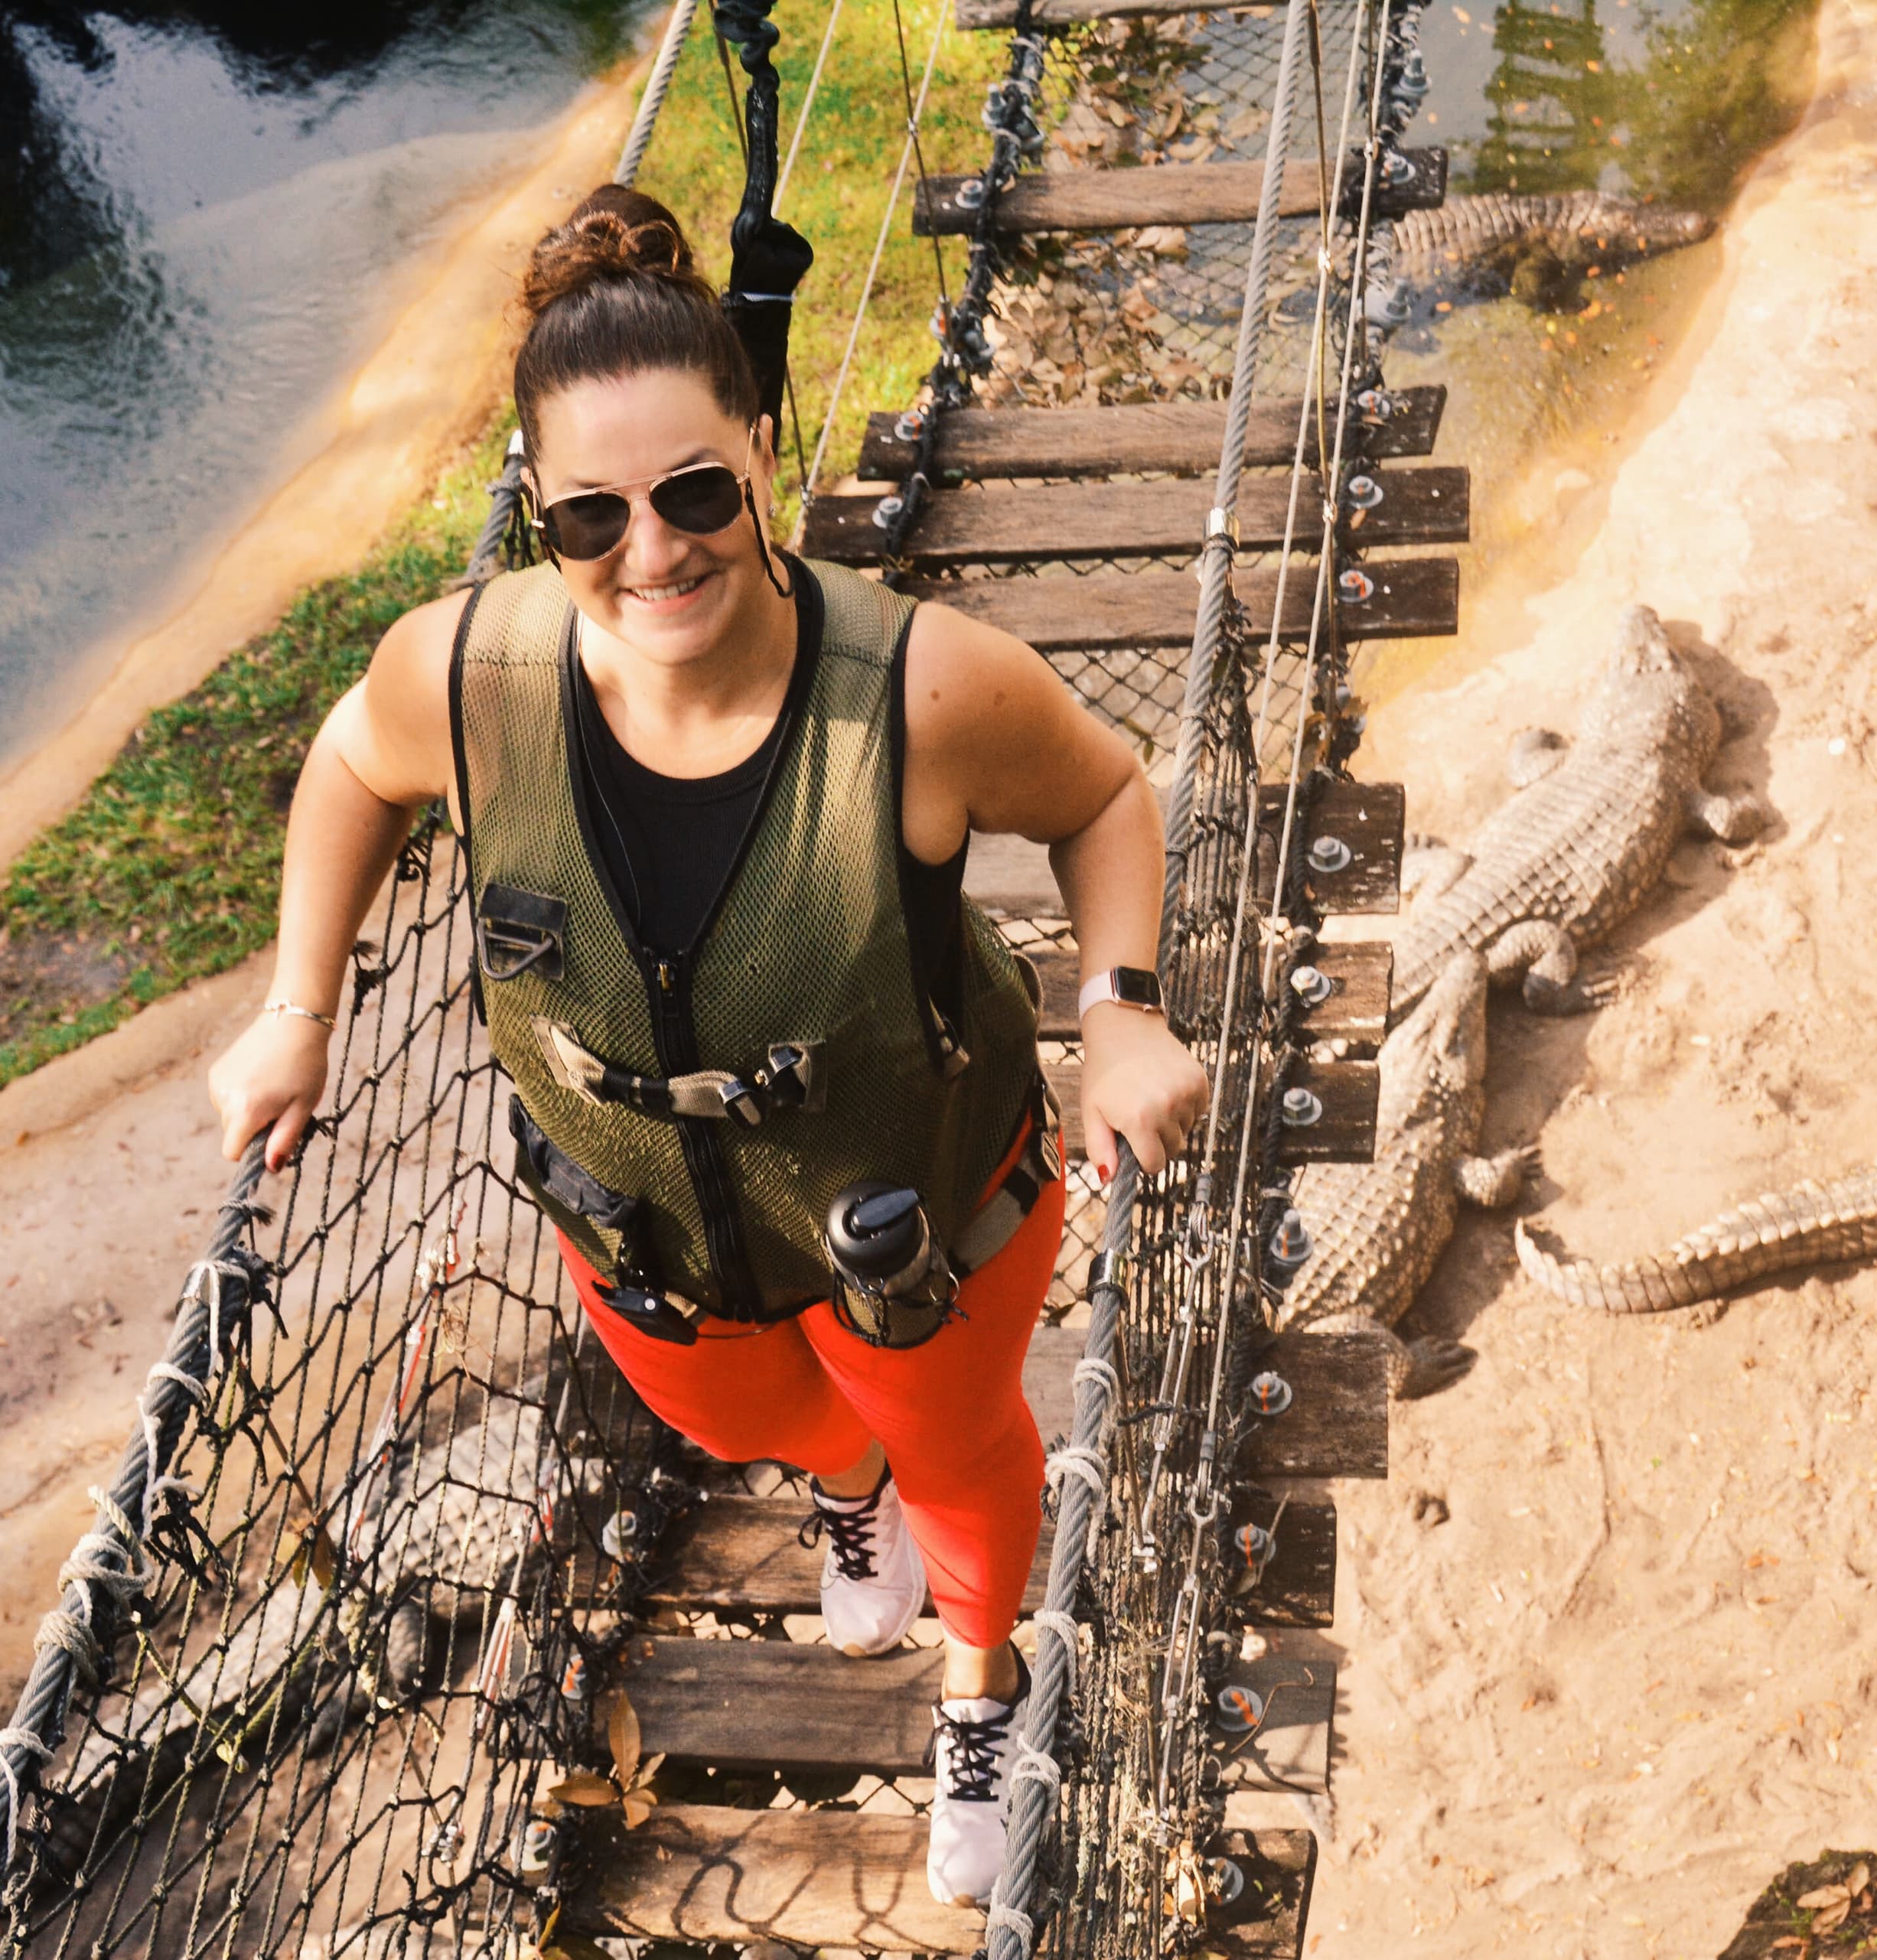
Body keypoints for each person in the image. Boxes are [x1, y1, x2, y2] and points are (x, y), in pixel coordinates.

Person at [208, 185, 1208, 1906]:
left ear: (759, 446)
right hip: (651, 1253)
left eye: (690, 493)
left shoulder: (922, 692)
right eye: (589, 515)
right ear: (535, 509)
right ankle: (843, 1488)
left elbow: (1111, 795)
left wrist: (1120, 1020)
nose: (649, 551)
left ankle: (982, 1686)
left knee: (962, 1461)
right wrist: (298, 1008)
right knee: (768, 1424)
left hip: (923, 1228)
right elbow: (351, 769)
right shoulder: (461, 680)